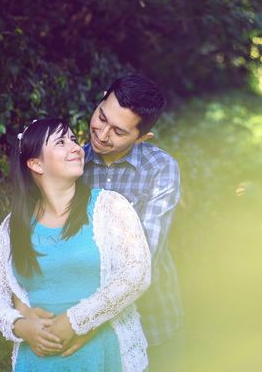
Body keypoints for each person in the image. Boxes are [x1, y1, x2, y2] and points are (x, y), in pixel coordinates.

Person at [0, 118, 151, 371]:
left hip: (103, 356)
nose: (76, 147)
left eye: (73, 139)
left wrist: (75, 321)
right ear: (36, 164)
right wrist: (20, 325)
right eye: (61, 142)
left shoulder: (110, 207)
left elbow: (137, 274)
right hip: (37, 362)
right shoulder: (13, 225)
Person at [81, 75, 183, 370]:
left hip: (153, 323)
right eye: (101, 117)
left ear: (141, 138)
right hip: (87, 325)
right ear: (101, 100)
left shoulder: (160, 169)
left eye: (118, 131)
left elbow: (144, 256)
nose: (101, 134)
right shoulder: (73, 164)